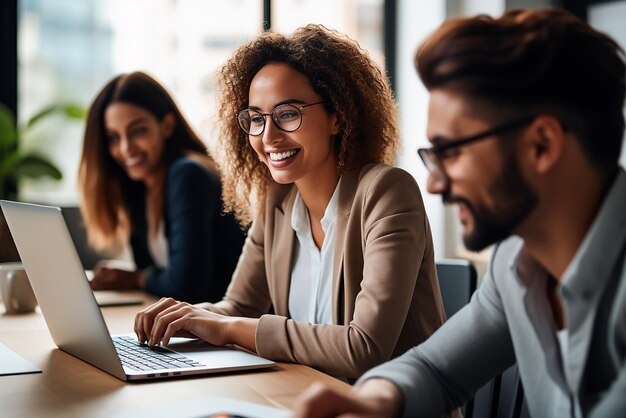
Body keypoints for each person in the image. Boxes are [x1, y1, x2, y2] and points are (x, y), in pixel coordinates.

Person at [292, 8, 626, 418]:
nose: (433, 184)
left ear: (541, 145)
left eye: (450, 152)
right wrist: (372, 402)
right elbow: (435, 369)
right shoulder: (515, 265)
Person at [133, 24, 446, 380]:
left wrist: (227, 327)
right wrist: (180, 316)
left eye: (287, 114)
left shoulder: (386, 193)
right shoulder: (277, 203)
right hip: (306, 398)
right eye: (256, 118)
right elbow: (237, 307)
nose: (268, 137)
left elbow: (365, 349)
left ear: (337, 116)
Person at [79, 71, 246, 304]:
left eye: (137, 131)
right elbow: (155, 282)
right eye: (114, 138)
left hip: (227, 333)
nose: (126, 148)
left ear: (167, 126)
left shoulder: (188, 174)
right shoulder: (138, 187)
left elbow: (187, 287)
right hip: (191, 328)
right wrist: (138, 278)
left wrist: (136, 278)